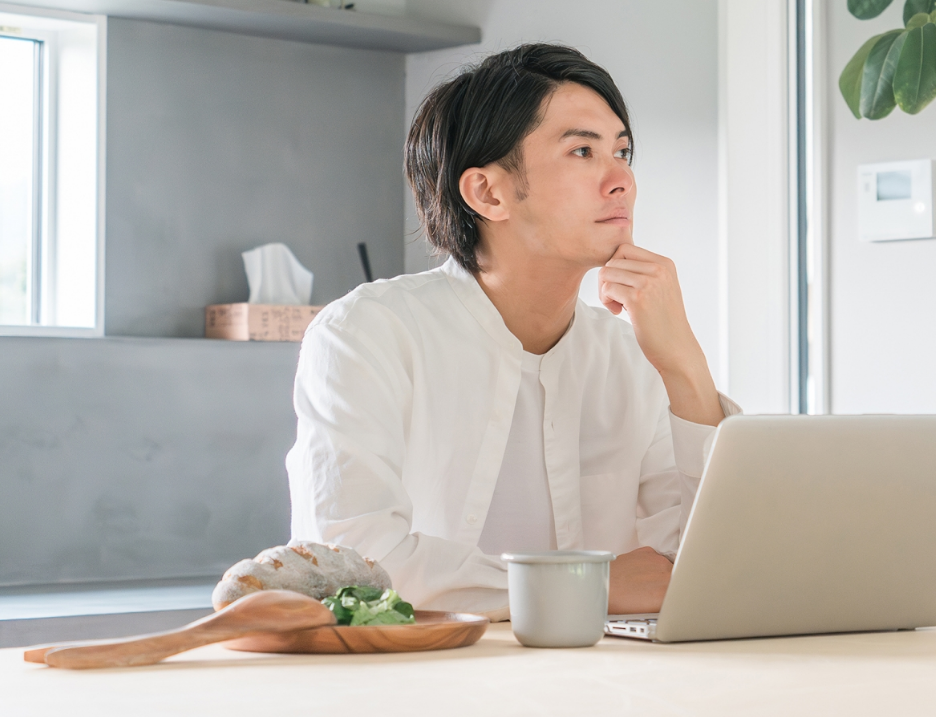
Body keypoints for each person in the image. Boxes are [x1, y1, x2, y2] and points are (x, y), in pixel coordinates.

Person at [286, 43, 735, 616]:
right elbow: (352, 566)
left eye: (622, 151)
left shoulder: (632, 354)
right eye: (582, 151)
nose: (621, 179)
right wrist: (584, 588)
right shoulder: (367, 334)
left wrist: (684, 367)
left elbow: (708, 561)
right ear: (488, 193)